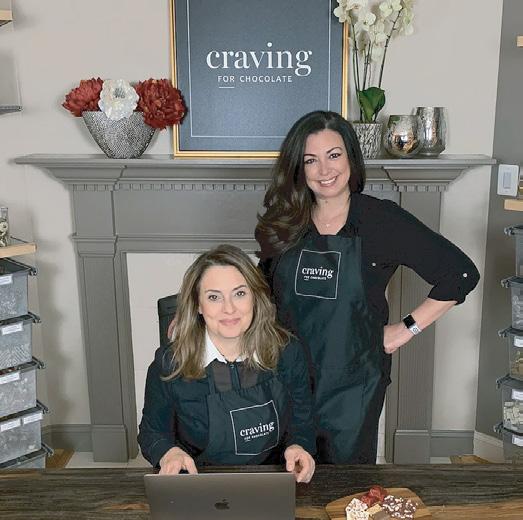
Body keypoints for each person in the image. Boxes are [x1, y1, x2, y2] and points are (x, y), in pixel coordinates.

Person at [255, 110, 480, 464]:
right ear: (299, 168)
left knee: (346, 485)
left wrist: (404, 330)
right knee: (283, 478)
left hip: (352, 387)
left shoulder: (380, 220)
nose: (324, 170)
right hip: (285, 378)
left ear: (351, 158)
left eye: (334, 155)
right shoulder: (286, 220)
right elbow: (260, 294)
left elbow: (460, 274)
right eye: (311, 160)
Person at [138, 244, 316, 482]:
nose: (229, 309)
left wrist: (298, 446)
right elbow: (152, 432)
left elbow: (302, 422)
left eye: (239, 294)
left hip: (273, 481)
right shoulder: (170, 364)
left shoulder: (287, 352)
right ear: (198, 305)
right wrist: (168, 452)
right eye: (214, 297)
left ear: (255, 298)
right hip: (198, 482)